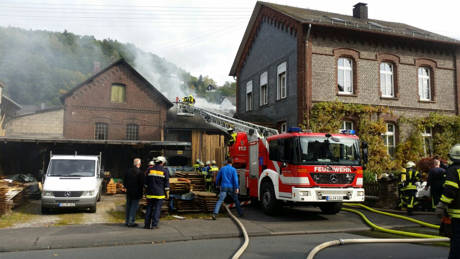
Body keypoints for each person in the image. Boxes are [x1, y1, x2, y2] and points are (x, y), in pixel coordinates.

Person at [436, 144, 460, 259]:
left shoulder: (453, 170)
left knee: (456, 243)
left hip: (457, 215)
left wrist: (441, 205)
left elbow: (450, 190)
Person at [144, 156, 170, 229]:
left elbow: (145, 183)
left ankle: (146, 225)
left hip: (150, 193)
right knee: (157, 209)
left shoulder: (149, 169)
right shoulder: (165, 171)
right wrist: (167, 193)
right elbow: (166, 184)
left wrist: (145, 192)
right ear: (162, 162)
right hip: (159, 194)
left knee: (149, 209)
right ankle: (154, 225)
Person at [123, 158, 144, 227]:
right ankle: (131, 222)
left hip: (129, 192)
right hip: (136, 192)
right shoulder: (140, 172)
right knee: (134, 207)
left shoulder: (127, 171)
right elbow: (142, 184)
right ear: (139, 164)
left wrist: (127, 188)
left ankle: (127, 221)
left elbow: (124, 182)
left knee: (128, 206)